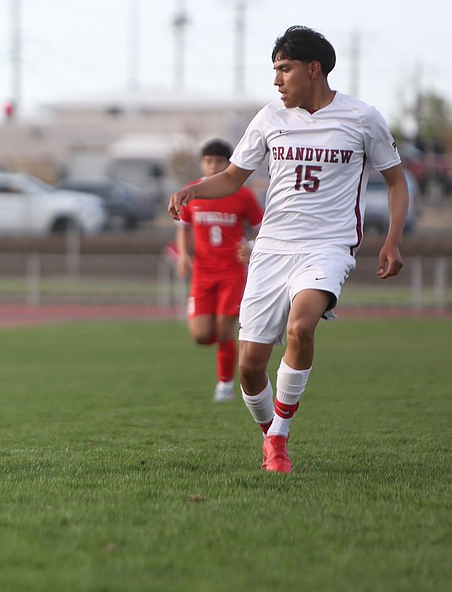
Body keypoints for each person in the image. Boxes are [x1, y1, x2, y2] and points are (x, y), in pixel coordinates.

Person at [167, 26, 408, 474]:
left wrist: (392, 239)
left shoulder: (362, 117)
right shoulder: (269, 118)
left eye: (284, 69)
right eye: (274, 70)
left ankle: (278, 436)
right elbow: (233, 177)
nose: (277, 80)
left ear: (312, 69)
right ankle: (269, 432)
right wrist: (195, 190)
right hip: (272, 250)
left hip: (328, 246)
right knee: (251, 368)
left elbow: (396, 180)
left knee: (301, 328)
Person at [175, 139, 264, 402]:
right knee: (202, 335)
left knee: (225, 329)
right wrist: (183, 255)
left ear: (229, 163)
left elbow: (262, 230)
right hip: (202, 272)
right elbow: (182, 226)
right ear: (202, 163)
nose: (214, 166)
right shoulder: (192, 191)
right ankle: (233, 347)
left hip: (232, 271)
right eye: (209, 161)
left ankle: (224, 384)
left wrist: (249, 246)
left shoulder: (243, 194)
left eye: (219, 161)